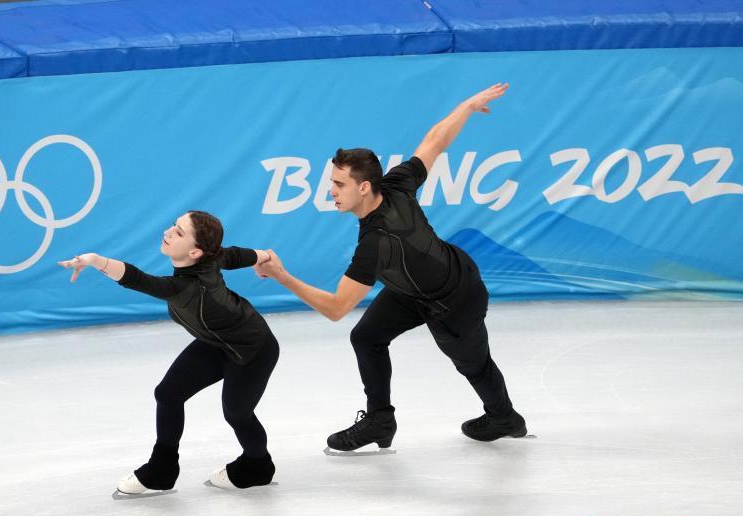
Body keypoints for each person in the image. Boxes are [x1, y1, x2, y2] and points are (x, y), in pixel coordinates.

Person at [255, 83, 526, 451]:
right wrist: (466, 106)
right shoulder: (396, 183)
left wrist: (282, 276)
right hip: (412, 289)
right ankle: (380, 420)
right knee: (366, 336)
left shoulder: (375, 245)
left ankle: (504, 416)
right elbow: (434, 141)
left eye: (338, 184)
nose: (331, 191)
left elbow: (337, 308)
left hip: (455, 299)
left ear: (364, 187)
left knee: (474, 366)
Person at [59, 211, 279, 493]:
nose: (168, 231)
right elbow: (235, 255)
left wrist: (95, 261)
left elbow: (139, 280)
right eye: (174, 225)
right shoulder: (210, 257)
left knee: (237, 414)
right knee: (168, 394)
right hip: (216, 342)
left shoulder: (187, 287)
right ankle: (162, 468)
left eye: (179, 232)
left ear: (195, 251)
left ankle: (258, 465)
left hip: (253, 350)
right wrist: (263, 257)